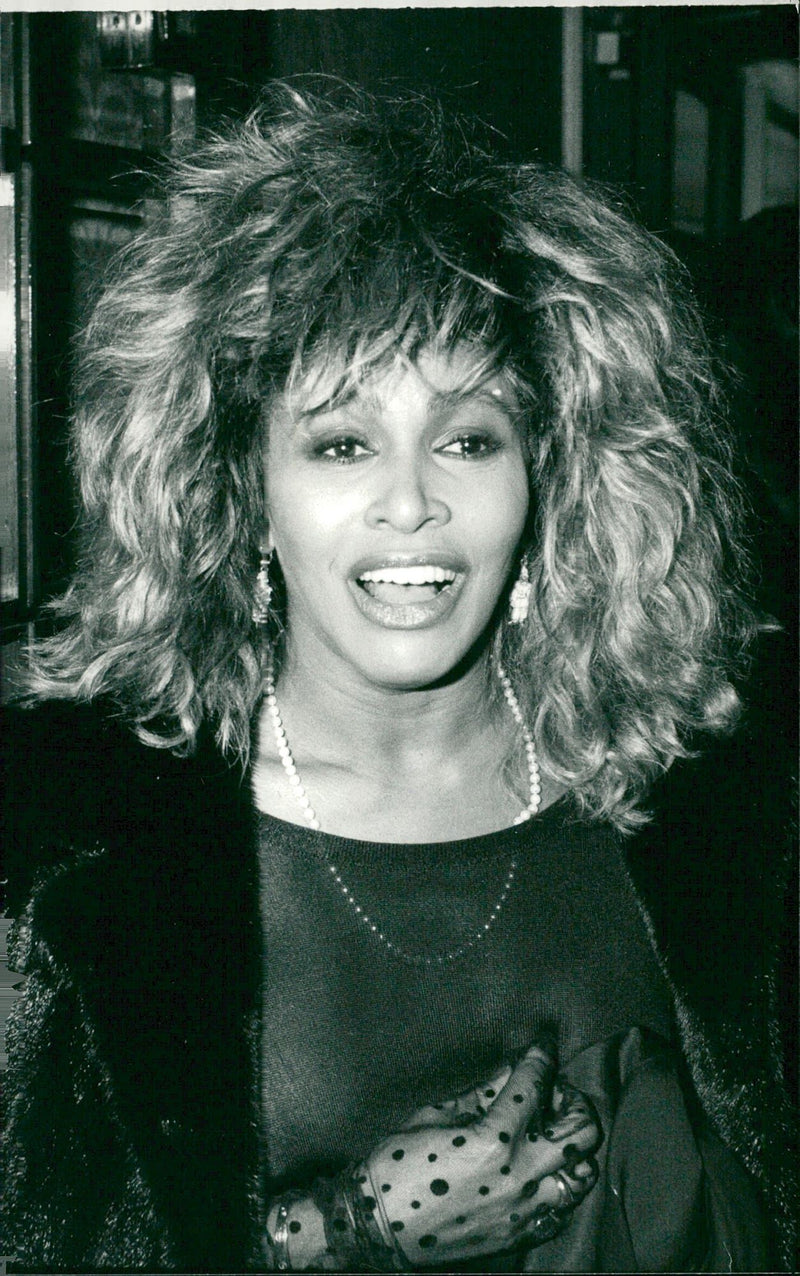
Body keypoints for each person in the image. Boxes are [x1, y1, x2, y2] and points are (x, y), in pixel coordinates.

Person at [1, 82, 795, 1273]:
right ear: (241, 490)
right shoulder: (71, 853)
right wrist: (338, 1229)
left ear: (551, 479)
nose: (412, 500)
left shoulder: (715, 800)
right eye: (340, 442)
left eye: (468, 438)